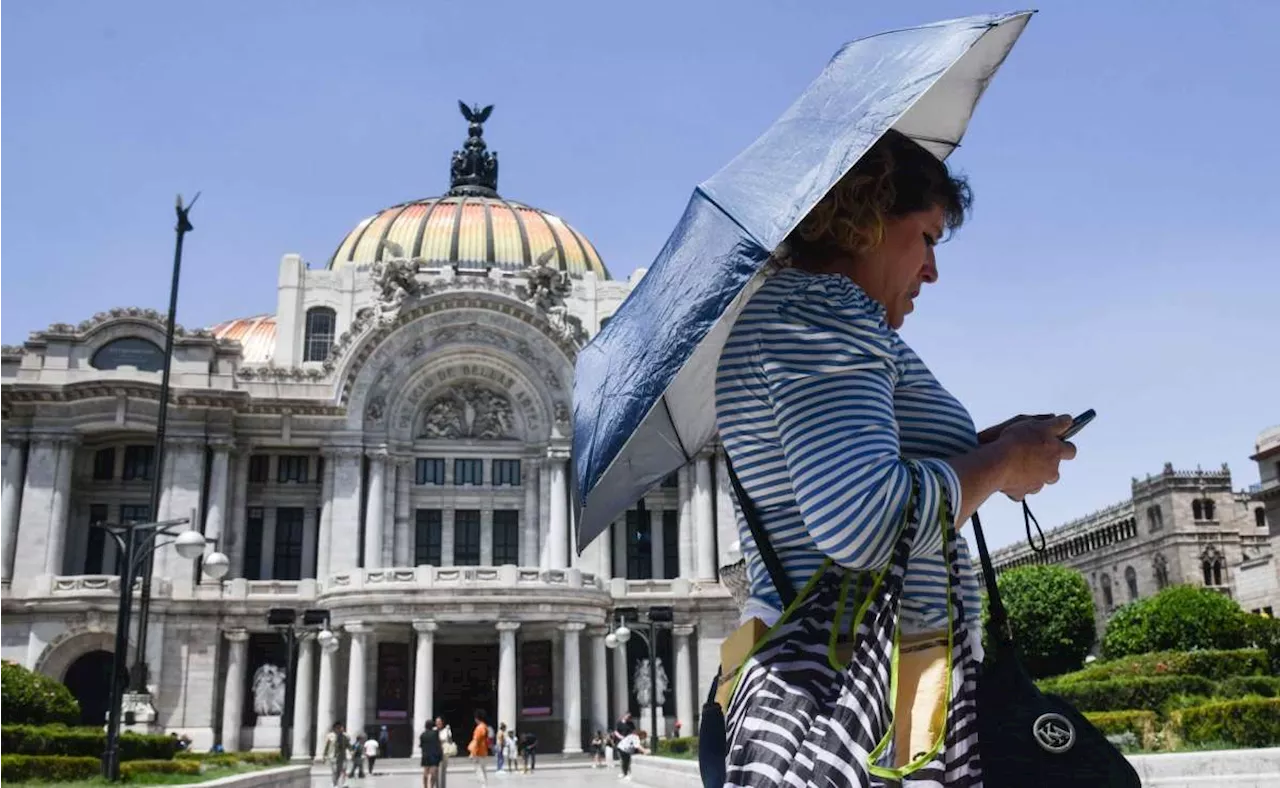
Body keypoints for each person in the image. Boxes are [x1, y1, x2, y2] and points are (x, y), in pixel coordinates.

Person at [715, 129, 1076, 774]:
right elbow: (865, 524)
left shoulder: (797, 312)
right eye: (929, 238)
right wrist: (998, 465)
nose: (933, 270)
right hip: (867, 702)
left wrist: (996, 456)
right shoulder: (824, 311)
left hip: (823, 673)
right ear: (863, 219)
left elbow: (858, 479)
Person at [321, 722, 350, 788]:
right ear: (334, 728)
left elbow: (348, 745)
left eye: (340, 727)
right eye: (337, 728)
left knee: (343, 769)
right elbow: (326, 747)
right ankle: (335, 784)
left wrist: (351, 751)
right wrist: (324, 756)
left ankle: (342, 783)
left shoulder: (345, 736)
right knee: (335, 771)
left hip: (342, 756)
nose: (339, 729)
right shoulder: (330, 736)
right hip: (333, 756)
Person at [468, 709, 490, 787]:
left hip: (478, 752)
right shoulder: (485, 727)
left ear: (477, 718)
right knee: (483, 770)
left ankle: (483, 786)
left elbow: (476, 741)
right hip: (484, 751)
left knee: (479, 770)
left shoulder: (479, 728)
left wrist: (472, 752)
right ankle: (485, 785)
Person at [421, 718, 444, 788]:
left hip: (425, 755)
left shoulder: (422, 735)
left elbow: (421, 745)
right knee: (433, 773)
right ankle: (431, 786)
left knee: (425, 772)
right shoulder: (435, 733)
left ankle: (425, 786)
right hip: (434, 755)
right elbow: (438, 743)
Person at [436, 717, 455, 788]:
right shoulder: (434, 730)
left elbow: (450, 741)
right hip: (436, 753)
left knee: (443, 771)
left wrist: (448, 731)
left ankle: (442, 786)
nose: (438, 723)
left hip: (444, 753)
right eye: (437, 722)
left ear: (442, 722)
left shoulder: (446, 730)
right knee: (436, 771)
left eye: (439, 722)